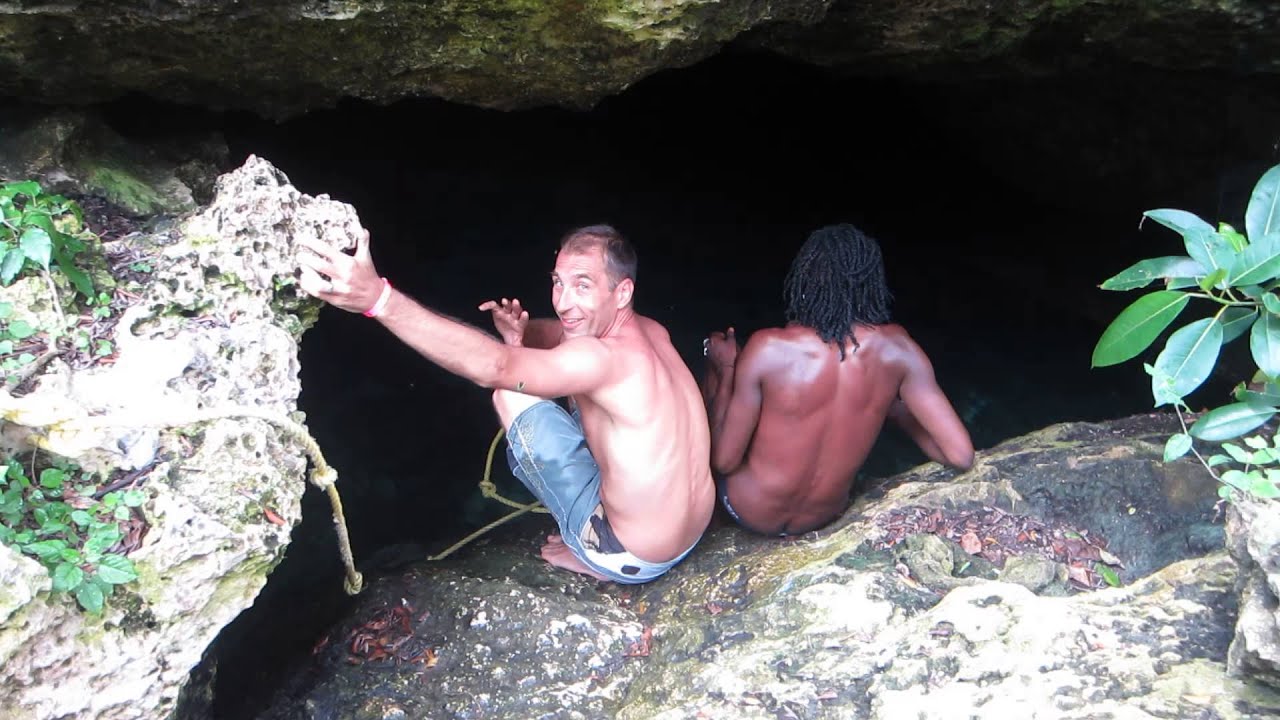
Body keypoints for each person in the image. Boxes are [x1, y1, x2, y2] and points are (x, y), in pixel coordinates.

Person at [298, 224, 714, 583]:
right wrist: (524, 332)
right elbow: (566, 340)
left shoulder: (601, 360)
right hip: (692, 532)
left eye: (583, 286)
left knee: (510, 395)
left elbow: (495, 366)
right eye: (557, 282)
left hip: (633, 557)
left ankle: (596, 554)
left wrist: (378, 299)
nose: (563, 301)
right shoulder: (652, 331)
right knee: (564, 378)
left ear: (621, 292)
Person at [702, 223, 973, 537]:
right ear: (871, 284)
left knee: (715, 378)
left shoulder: (768, 348)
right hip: (821, 518)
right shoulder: (900, 351)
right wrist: (892, 408)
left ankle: (708, 530)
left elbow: (724, 461)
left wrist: (725, 371)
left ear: (805, 280)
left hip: (746, 511)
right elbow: (960, 455)